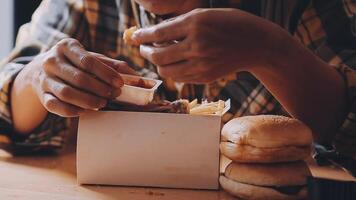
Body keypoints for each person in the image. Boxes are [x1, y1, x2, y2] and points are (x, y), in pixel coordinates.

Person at [0, 0, 355, 158]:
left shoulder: (298, 6)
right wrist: (37, 78)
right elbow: (6, 118)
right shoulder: (86, 5)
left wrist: (271, 50)